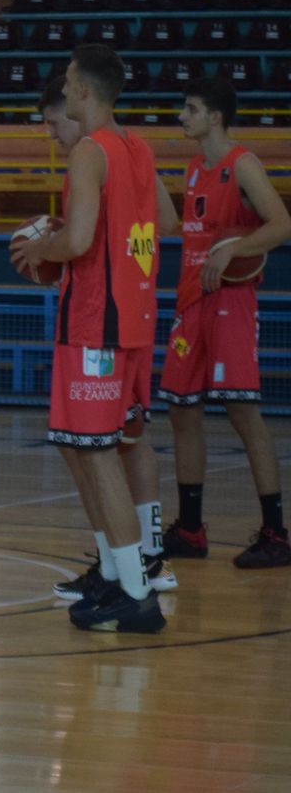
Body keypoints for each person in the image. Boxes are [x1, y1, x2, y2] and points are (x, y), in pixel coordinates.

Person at [11, 44, 165, 633]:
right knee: (86, 449)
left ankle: (135, 590)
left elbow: (75, 243)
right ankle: (118, 572)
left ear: (86, 91)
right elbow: (163, 224)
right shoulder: (139, 148)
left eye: (71, 81)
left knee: (98, 456)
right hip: (135, 318)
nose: (66, 88)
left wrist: (38, 249)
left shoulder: (91, 153)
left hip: (96, 321)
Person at [158, 76, 291, 568]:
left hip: (231, 303)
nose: (182, 116)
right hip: (190, 303)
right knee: (181, 412)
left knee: (243, 414)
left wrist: (236, 247)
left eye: (190, 109)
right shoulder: (194, 169)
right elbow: (181, 229)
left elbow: (282, 224)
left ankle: (277, 534)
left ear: (215, 116)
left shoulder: (243, 164)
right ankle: (191, 529)